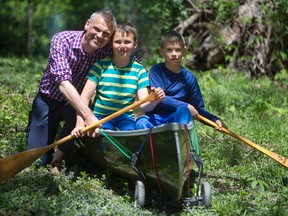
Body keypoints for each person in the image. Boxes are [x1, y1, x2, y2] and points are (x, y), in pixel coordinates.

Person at [53, 22, 165, 172]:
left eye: (127, 42)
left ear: (135, 44)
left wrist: (155, 100)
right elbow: (84, 98)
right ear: (111, 44)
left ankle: (127, 164)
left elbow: (145, 106)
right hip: (100, 117)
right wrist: (81, 122)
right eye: (118, 42)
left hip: (125, 118)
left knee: (131, 135)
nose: (122, 46)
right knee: (100, 134)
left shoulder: (139, 71)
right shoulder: (100, 66)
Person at [26, 9, 117, 171]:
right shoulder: (62, 40)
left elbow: (129, 60)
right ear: (87, 24)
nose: (100, 36)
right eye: (97, 29)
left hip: (76, 107)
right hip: (48, 101)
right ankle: (39, 130)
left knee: (79, 112)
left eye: (106, 34)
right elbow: (63, 82)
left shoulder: (106, 50)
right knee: (38, 162)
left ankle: (59, 158)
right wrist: (90, 116)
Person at [135, 30, 226, 130]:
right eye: (169, 50)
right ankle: (152, 143)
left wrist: (214, 120)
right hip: (157, 118)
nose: (174, 54)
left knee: (184, 112)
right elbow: (159, 98)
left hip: (177, 118)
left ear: (184, 50)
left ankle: (178, 139)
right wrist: (186, 106)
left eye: (177, 50)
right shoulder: (157, 71)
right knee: (141, 122)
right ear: (161, 51)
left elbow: (197, 109)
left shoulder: (190, 78)